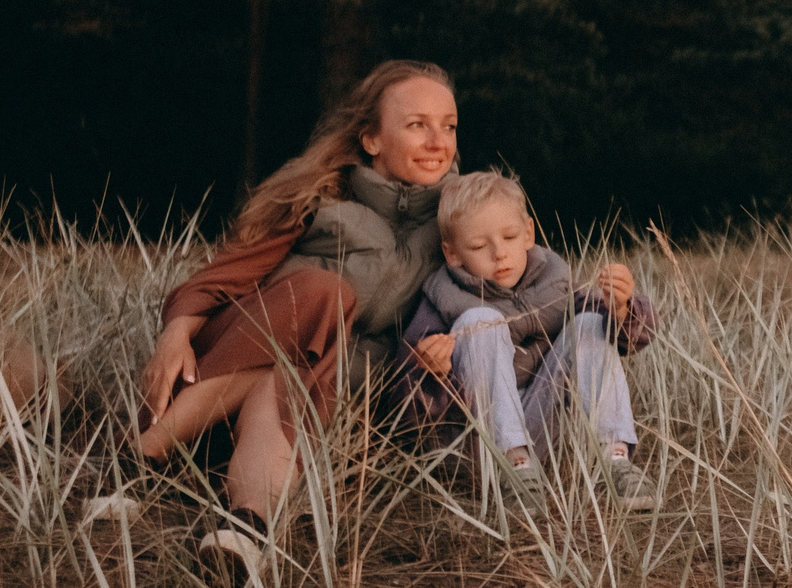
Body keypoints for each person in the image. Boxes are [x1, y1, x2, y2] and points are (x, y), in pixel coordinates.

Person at [136, 60, 460, 562]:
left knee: (293, 380)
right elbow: (218, 280)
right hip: (223, 360)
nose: (439, 142)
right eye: (418, 125)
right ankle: (146, 449)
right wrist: (174, 336)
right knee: (326, 293)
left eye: (449, 126)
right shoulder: (319, 197)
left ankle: (244, 531)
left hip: (312, 396)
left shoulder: (462, 217)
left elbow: (521, 289)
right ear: (371, 139)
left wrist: (610, 310)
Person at [398, 169, 659, 509]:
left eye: (509, 237)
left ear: (528, 233)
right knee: (481, 321)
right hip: (477, 446)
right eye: (479, 245)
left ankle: (615, 458)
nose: (499, 254)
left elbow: (626, 336)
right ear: (453, 254)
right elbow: (408, 399)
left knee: (591, 323)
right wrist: (432, 372)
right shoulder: (442, 298)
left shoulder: (554, 280)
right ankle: (514, 466)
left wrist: (622, 310)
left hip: (541, 428)